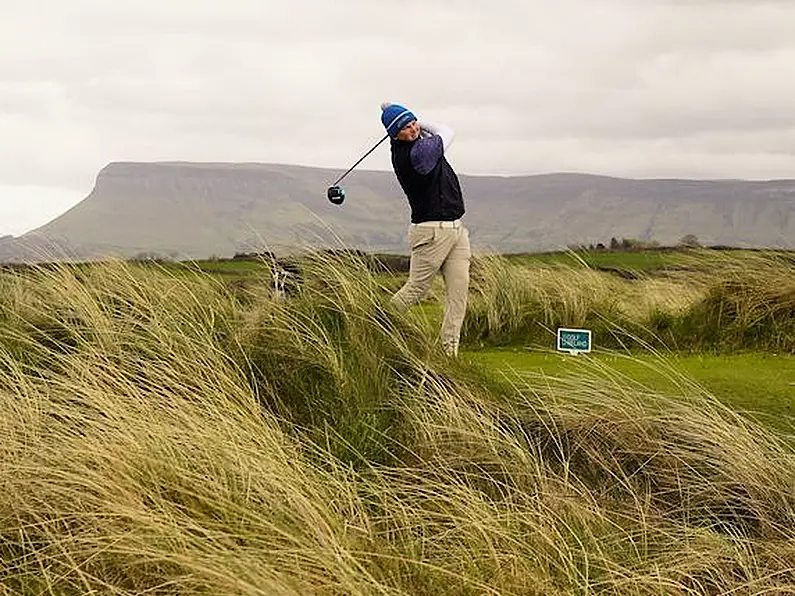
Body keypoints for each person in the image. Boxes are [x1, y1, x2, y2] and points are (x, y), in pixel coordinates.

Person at [380, 102, 471, 357]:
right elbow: (446, 130)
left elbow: (426, 131)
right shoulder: (417, 154)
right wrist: (419, 119)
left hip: (456, 230)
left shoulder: (415, 141)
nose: (412, 130)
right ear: (394, 135)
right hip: (432, 232)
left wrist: (405, 117)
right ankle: (376, 324)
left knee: (458, 294)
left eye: (413, 124)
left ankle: (449, 353)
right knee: (417, 289)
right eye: (405, 128)